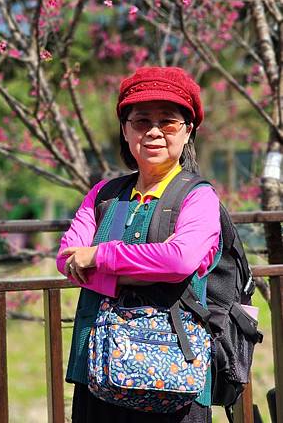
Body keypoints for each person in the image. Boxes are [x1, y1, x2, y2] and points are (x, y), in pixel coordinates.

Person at [56, 66, 221, 423]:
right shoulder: (104, 195)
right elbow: (67, 259)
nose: (154, 132)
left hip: (175, 375)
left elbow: (180, 261)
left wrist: (101, 256)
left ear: (188, 130)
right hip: (97, 372)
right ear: (125, 129)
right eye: (141, 121)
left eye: (169, 122)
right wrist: (143, 274)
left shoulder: (199, 197)